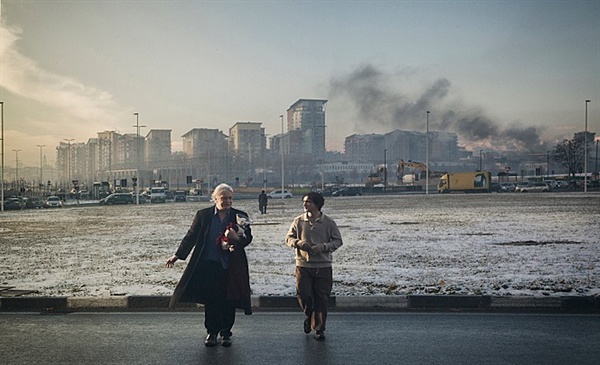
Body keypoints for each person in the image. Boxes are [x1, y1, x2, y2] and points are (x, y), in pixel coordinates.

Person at [165, 183, 253, 348]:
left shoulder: (240, 216)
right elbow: (191, 236)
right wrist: (178, 255)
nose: (227, 201)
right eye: (223, 198)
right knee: (211, 299)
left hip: (231, 265)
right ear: (215, 199)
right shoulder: (203, 215)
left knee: (229, 299)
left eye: (229, 198)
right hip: (209, 264)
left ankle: (226, 333)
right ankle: (212, 332)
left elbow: (248, 238)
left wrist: (236, 238)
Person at [285, 191, 343, 341]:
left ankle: (319, 328)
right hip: (303, 265)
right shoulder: (298, 221)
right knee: (304, 295)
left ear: (317, 204)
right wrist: (299, 243)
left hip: (323, 266)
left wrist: (323, 247)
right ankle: (309, 315)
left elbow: (337, 241)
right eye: (304, 201)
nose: (305, 204)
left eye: (309, 202)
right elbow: (288, 238)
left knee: (321, 298)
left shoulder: (328, 222)